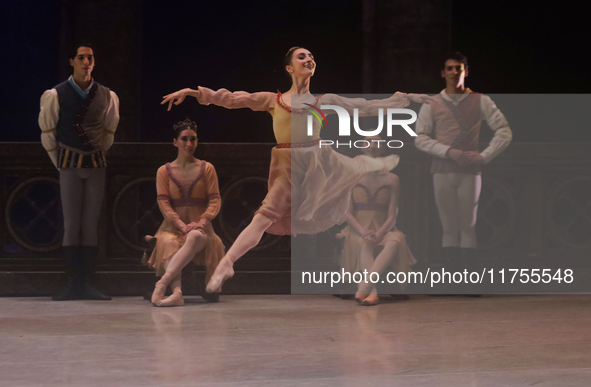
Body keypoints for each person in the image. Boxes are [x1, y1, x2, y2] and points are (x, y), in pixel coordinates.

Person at [161, 47, 431, 294]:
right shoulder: (274, 100)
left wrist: (403, 99)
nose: (309, 59)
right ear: (289, 68)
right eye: (302, 57)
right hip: (287, 165)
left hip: (316, 164)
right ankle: (228, 263)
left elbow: (366, 106)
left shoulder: (324, 100)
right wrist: (194, 93)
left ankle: (374, 164)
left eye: (311, 56)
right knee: (263, 217)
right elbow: (233, 99)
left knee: (354, 167)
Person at [414, 52, 512, 269]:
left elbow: (504, 131)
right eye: (449, 68)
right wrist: (448, 152)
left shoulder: (481, 100)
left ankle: (467, 278)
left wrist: (485, 155)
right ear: (443, 73)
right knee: (448, 226)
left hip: (470, 170)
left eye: (458, 68)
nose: (453, 72)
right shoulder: (432, 103)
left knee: (468, 225)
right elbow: (420, 138)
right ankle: (451, 278)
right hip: (441, 168)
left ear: (465, 72)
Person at [39, 42, 119, 300]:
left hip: (95, 163)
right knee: (72, 223)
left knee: (90, 224)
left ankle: (87, 282)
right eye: (82, 58)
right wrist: (60, 160)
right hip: (69, 162)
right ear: (72, 61)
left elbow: (108, 131)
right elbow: (48, 132)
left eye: (90, 58)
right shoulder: (57, 93)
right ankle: (72, 282)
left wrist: (98, 150)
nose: (87, 62)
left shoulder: (107, 94)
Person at [148, 119, 225, 306]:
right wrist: (181, 225)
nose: (189, 144)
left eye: (193, 139)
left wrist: (202, 222)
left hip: (200, 225)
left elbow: (215, 199)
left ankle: (163, 284)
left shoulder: (207, 168)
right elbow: (164, 202)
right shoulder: (164, 171)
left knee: (205, 239)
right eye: (184, 139)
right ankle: (177, 292)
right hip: (173, 226)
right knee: (168, 242)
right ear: (175, 142)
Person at [338, 136, 416, 306]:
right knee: (365, 243)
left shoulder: (393, 178)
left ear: (383, 148)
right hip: (358, 228)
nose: (372, 146)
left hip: (384, 228)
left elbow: (392, 215)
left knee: (395, 241)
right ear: (362, 147)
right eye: (367, 142)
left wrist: (380, 234)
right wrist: (363, 231)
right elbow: (347, 212)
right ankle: (372, 293)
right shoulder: (351, 177)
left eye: (377, 142)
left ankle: (363, 288)